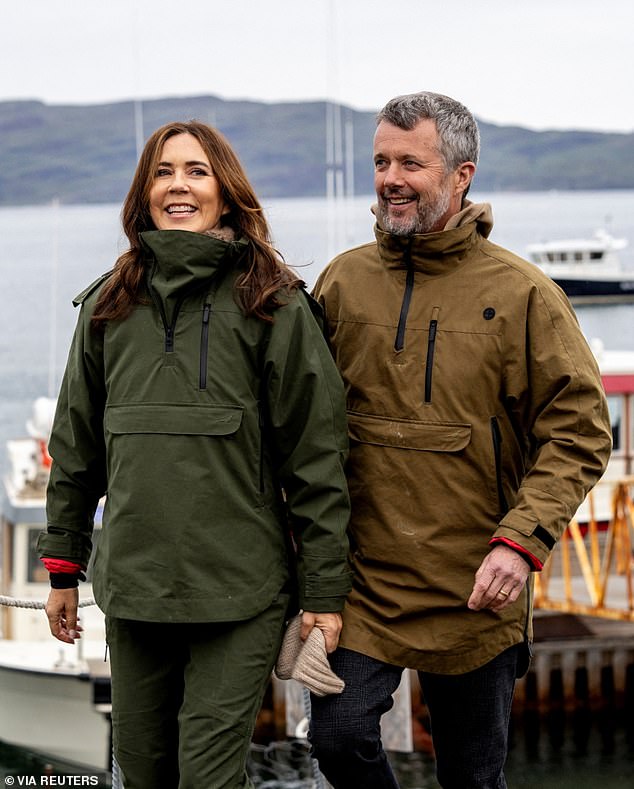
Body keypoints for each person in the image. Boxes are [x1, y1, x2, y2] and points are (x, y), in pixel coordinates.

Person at [308, 91, 613, 789]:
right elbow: (295, 419)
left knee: (473, 778)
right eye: (381, 160)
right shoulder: (343, 282)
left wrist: (520, 541)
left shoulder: (525, 294)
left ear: (460, 174)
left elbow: (580, 429)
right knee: (338, 734)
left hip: (477, 584)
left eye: (410, 162)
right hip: (363, 585)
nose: (390, 177)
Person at [37, 120, 351, 789]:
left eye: (197, 171)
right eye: (163, 171)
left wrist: (324, 589)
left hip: (240, 591)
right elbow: (75, 448)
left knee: (208, 777)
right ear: (143, 193)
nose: (179, 184)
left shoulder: (274, 304)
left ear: (227, 192)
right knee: (145, 773)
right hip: (134, 589)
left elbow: (317, 459)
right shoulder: (105, 307)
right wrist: (63, 567)